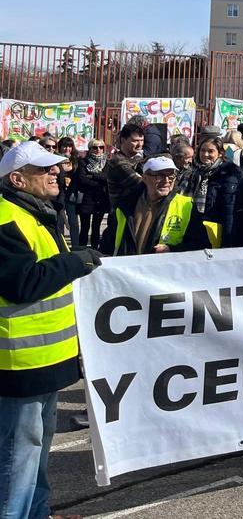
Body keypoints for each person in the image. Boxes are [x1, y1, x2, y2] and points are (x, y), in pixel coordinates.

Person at [0, 142, 103, 519]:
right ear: (17, 179)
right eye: (44, 169)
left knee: (37, 449)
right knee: (19, 454)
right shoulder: (5, 218)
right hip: (20, 362)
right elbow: (22, 283)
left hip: (44, 359)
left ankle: (38, 513)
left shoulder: (36, 213)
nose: (56, 172)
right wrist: (75, 262)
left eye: (56, 167)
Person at [102, 156, 211, 255]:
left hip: (161, 273)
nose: (166, 181)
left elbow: (201, 245)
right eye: (160, 176)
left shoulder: (186, 206)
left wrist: (172, 250)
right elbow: (108, 243)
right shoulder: (125, 205)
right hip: (128, 272)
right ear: (144, 177)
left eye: (171, 176)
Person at [181, 135, 241, 246]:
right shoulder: (192, 172)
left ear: (220, 153)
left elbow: (229, 211)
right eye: (202, 150)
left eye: (211, 151)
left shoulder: (227, 175)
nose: (205, 155)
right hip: (192, 226)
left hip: (214, 229)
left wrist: (227, 241)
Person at [74, 139, 110, 249]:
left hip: (101, 198)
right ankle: (82, 249)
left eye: (101, 147)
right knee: (85, 227)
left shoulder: (107, 162)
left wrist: (93, 176)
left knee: (96, 226)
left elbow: (107, 177)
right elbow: (82, 179)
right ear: (90, 149)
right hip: (86, 198)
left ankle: (95, 249)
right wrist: (99, 180)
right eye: (95, 147)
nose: (98, 150)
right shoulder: (83, 162)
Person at [105, 122, 144, 206]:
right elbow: (142, 183)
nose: (140, 144)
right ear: (123, 140)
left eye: (142, 140)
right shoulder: (117, 162)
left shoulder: (139, 159)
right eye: (135, 141)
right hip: (121, 214)